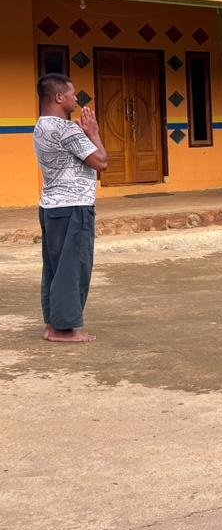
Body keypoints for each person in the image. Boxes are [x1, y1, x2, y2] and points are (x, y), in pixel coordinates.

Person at [33, 73, 108, 344]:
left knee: (55, 268)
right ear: (58, 97)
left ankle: (53, 324)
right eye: (72, 94)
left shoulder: (41, 126)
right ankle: (64, 330)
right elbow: (101, 162)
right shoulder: (66, 130)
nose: (77, 98)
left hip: (51, 206)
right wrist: (94, 133)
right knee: (73, 268)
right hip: (74, 206)